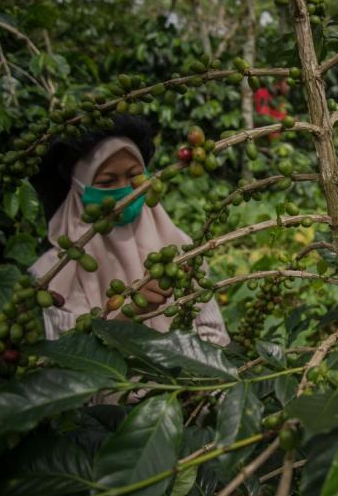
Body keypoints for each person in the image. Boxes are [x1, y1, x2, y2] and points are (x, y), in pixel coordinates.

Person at [29, 115, 230, 345]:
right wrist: (133, 312)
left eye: (134, 177)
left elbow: (213, 332)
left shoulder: (177, 245)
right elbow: (73, 357)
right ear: (79, 189)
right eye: (107, 182)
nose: (125, 191)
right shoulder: (56, 272)